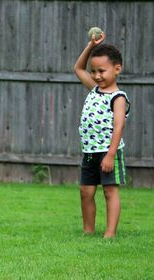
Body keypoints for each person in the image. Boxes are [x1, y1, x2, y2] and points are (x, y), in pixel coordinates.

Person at [74, 32, 130, 238]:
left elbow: (119, 126)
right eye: (94, 71)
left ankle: (110, 232)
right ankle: (88, 230)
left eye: (102, 71)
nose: (97, 76)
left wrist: (110, 154)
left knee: (109, 191)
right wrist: (90, 46)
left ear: (117, 69)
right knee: (86, 191)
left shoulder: (118, 97)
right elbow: (78, 68)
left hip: (109, 151)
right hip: (89, 151)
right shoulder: (95, 89)